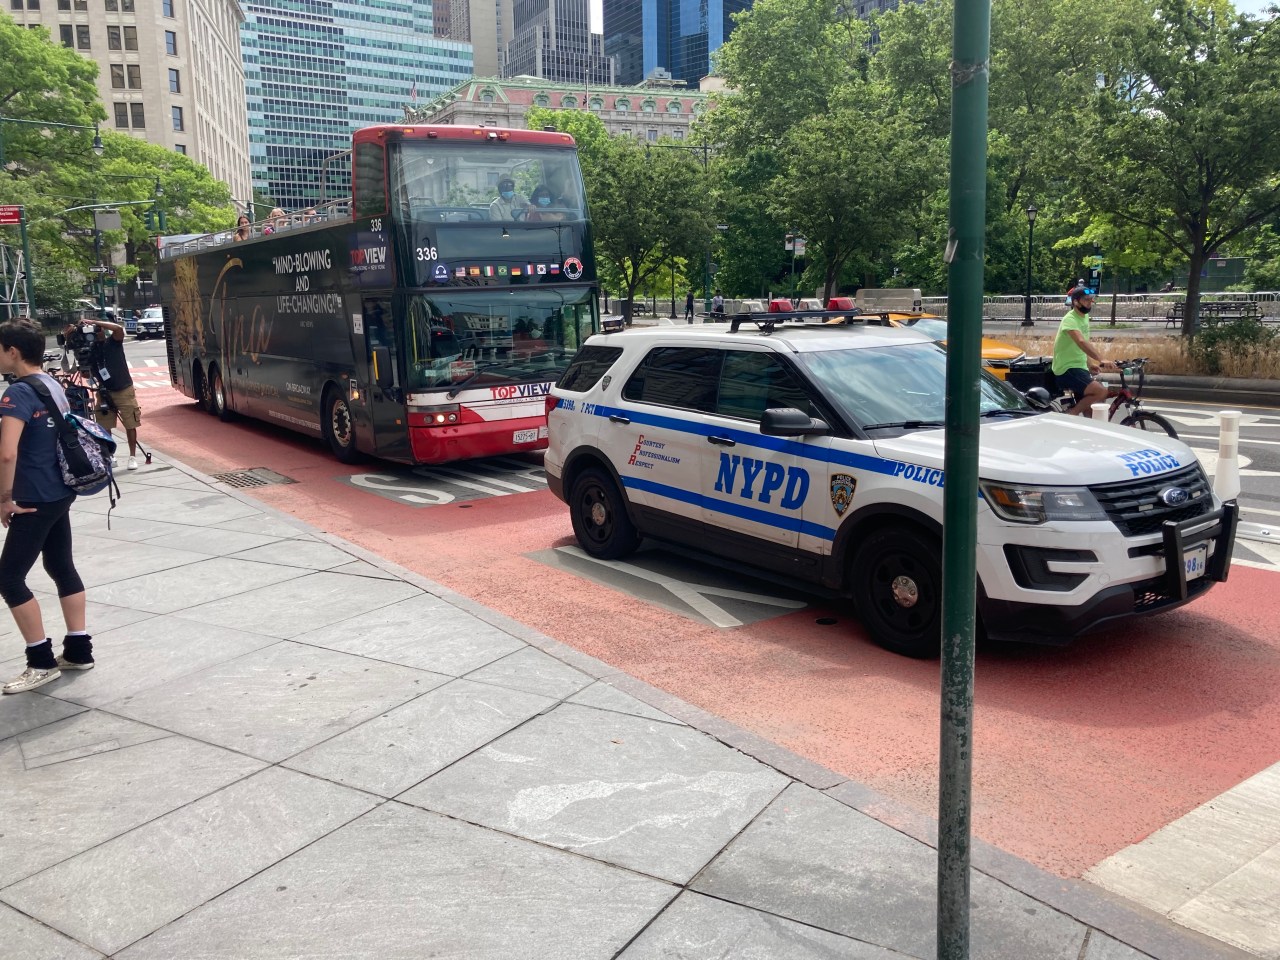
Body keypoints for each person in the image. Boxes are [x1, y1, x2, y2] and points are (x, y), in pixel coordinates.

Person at [0, 319, 93, 694]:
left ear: (12, 352)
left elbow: (7, 453)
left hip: (34, 497)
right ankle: (78, 650)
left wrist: (4, 499)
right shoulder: (52, 383)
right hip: (60, 489)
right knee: (60, 565)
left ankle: (40, 661)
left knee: (7, 578)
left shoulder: (17, 395)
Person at [78, 315, 144, 468]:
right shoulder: (91, 350)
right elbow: (86, 373)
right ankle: (111, 455)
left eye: (99, 330)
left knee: (130, 423)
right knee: (104, 425)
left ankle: (132, 457)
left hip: (123, 388)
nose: (96, 333)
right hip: (104, 391)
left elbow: (119, 329)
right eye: (94, 331)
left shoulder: (113, 343)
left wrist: (94, 322)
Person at [1051, 284, 1114, 416]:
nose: (1089, 303)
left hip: (1079, 367)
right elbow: (1080, 341)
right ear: (1075, 302)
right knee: (1100, 392)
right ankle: (1071, 415)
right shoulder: (1070, 319)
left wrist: (1090, 364)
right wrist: (1101, 359)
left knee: (1090, 413)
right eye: (1086, 300)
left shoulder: (1084, 317)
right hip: (1067, 369)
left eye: (1091, 300)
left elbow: (1080, 347)